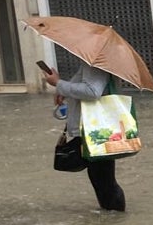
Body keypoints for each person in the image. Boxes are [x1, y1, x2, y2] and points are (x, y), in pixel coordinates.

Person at [43, 62, 126, 212]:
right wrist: (64, 91)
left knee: (103, 180)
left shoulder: (94, 65)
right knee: (100, 178)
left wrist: (58, 83)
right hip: (96, 128)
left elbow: (92, 91)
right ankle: (112, 222)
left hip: (95, 129)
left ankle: (114, 219)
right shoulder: (89, 64)